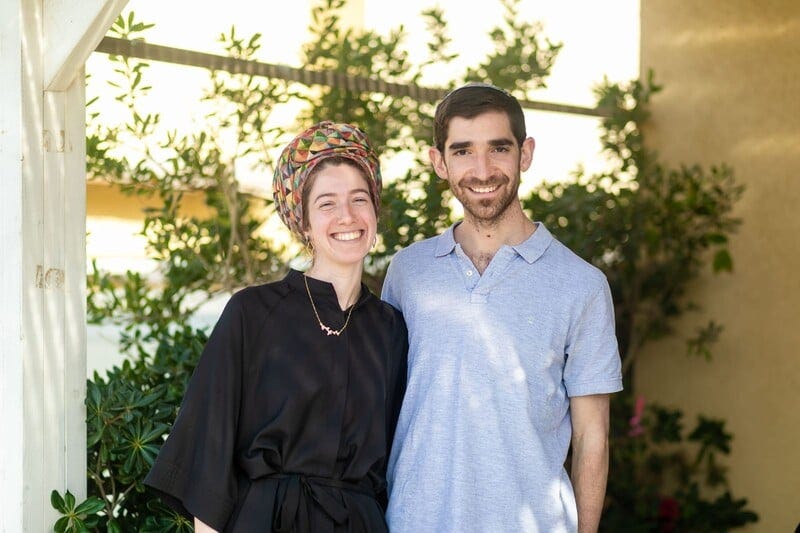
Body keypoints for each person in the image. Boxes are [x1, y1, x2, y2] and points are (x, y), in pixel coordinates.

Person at [381, 83, 623, 533]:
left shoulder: (582, 285)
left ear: (525, 154)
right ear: (439, 162)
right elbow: (383, 408)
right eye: (463, 151)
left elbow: (593, 437)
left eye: (498, 148)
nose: (483, 169)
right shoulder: (408, 273)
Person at [145, 121, 408, 533]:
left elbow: (397, 463)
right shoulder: (252, 312)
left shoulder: (391, 328)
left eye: (359, 199)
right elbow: (209, 459)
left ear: (375, 212)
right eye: (326, 204)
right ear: (302, 222)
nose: (347, 216)